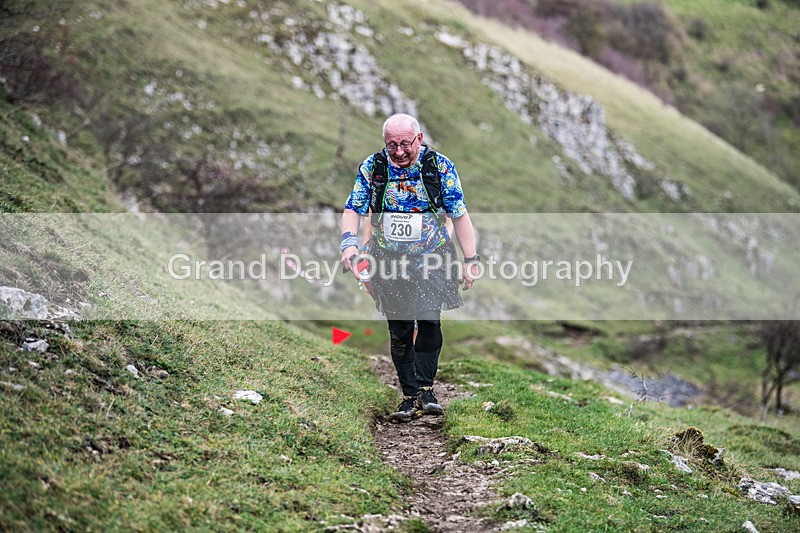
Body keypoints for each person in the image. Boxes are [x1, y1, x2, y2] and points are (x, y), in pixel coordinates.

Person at [340, 113, 480, 423]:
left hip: (432, 257)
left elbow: (459, 215)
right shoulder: (374, 167)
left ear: (418, 139)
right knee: (400, 329)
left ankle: (427, 390)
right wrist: (349, 244)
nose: (399, 151)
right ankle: (408, 396)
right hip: (388, 260)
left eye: (405, 144)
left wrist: (470, 261)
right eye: (392, 145)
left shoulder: (439, 167)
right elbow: (354, 209)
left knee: (428, 320)